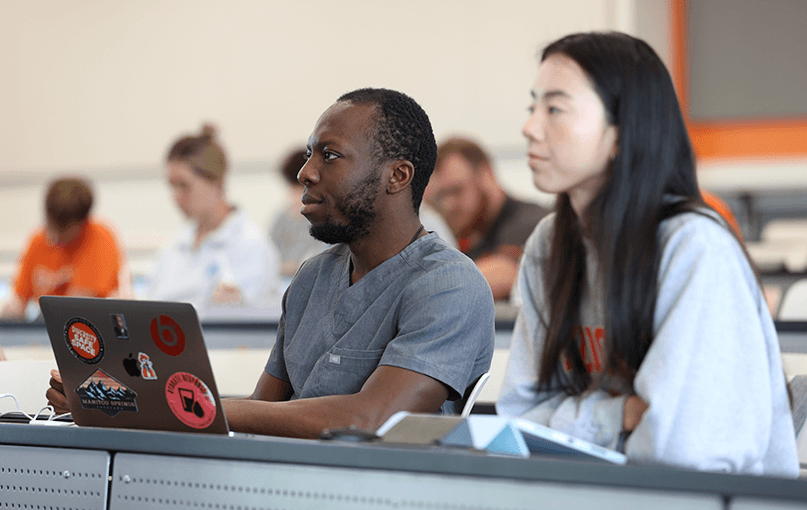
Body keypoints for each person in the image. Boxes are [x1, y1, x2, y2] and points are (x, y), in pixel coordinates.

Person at [49, 88, 496, 439]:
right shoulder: (312, 278)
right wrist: (123, 400)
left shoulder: (449, 285)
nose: (306, 172)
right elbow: (259, 412)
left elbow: (370, 418)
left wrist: (158, 401)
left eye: (330, 155)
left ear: (397, 176)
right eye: (309, 154)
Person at [496, 32, 798, 476]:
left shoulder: (694, 249)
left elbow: (682, 448)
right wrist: (618, 415)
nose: (530, 127)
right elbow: (519, 420)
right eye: (532, 106)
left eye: (555, 108)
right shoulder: (549, 243)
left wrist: (576, 420)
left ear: (622, 133)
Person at [145, 124, 282, 318]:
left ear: (216, 182)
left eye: (184, 186)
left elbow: (249, 329)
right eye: (171, 186)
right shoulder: (175, 246)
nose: (175, 197)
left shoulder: (250, 245)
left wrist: (235, 305)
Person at [424, 137, 548, 300]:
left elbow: (504, 273)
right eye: (441, 197)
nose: (449, 205)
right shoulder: (472, 234)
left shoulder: (532, 223)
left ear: (485, 175)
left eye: (456, 191)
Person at [1, 177, 132, 320]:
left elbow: (76, 306)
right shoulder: (38, 240)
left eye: (64, 231)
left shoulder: (100, 237)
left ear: (84, 222)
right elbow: (19, 300)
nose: (56, 237)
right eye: (53, 227)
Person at [269, 148, 328, 278]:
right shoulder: (282, 218)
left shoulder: (327, 222)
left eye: (298, 190)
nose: (293, 198)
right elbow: (267, 261)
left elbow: (320, 266)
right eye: (291, 189)